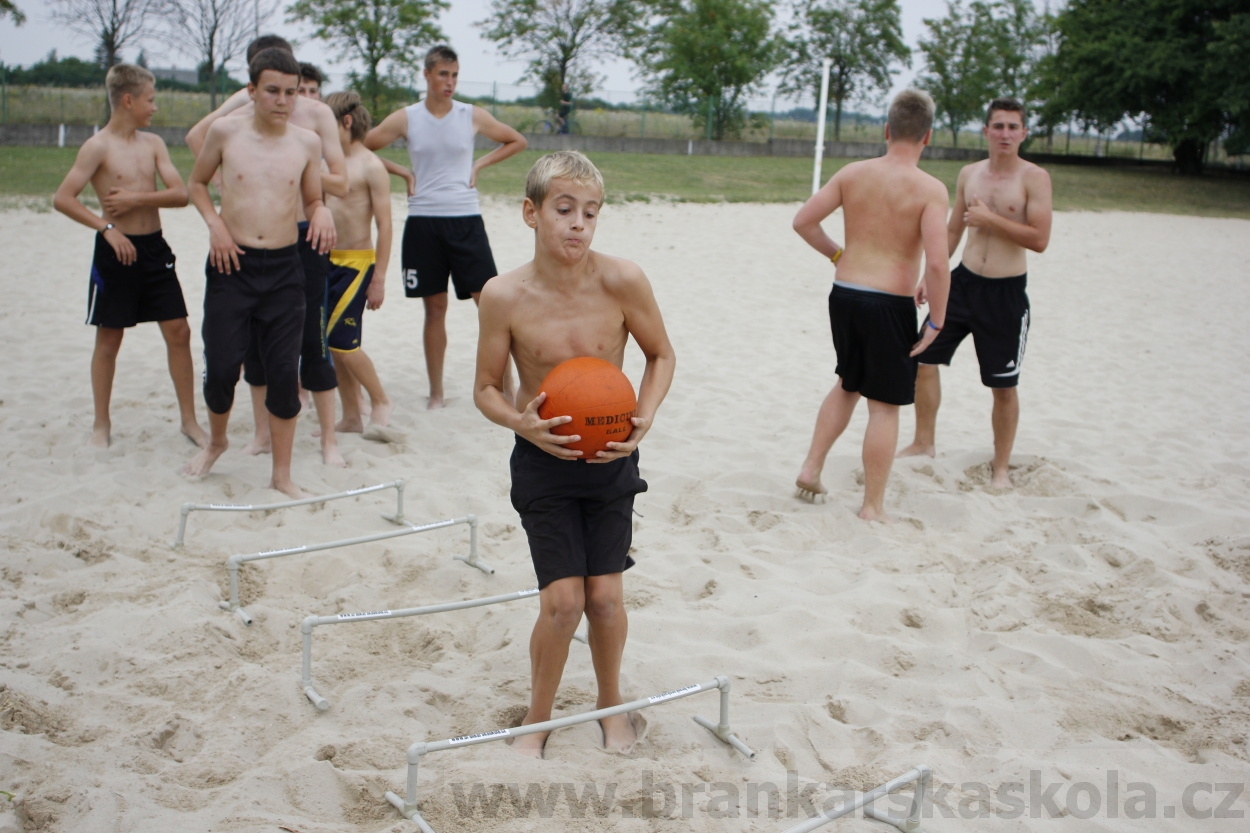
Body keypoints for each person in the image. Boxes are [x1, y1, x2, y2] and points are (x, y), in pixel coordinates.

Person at [474, 151, 675, 757]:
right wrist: (520, 424)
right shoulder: (503, 295)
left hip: (612, 459)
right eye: (564, 210)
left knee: (607, 598)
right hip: (542, 463)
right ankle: (537, 718)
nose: (578, 224)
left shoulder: (622, 281)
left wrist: (645, 415)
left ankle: (610, 707)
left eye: (590, 212)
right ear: (531, 213)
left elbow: (661, 353)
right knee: (563, 603)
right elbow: (485, 387)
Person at [185, 36, 346, 467]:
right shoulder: (225, 132)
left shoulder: (306, 142)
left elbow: (313, 199)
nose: (283, 100)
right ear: (252, 90)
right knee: (221, 369)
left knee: (282, 375)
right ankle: (216, 442)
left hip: (283, 267)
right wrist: (215, 225)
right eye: (272, 90)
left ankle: (281, 473)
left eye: (291, 92)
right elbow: (196, 183)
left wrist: (321, 213)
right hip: (230, 263)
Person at [792, 89, 950, 522]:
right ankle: (873, 506)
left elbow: (803, 221)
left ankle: (811, 466)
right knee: (884, 406)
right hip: (889, 303)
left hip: (845, 294)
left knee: (848, 382)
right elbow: (938, 263)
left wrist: (838, 255)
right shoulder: (930, 189)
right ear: (927, 137)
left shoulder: (853, 173)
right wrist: (936, 319)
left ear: (886, 130)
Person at [898, 97, 1053, 489]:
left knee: (1002, 385)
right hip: (962, 283)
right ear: (985, 131)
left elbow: (1039, 239)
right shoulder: (970, 174)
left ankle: (1001, 467)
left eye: (1012, 127)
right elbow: (952, 230)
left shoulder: (1034, 178)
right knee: (922, 357)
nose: (1005, 134)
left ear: (1023, 133)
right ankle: (923, 442)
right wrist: (930, 276)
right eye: (997, 126)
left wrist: (991, 219)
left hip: (1005, 294)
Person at [53, 63, 207, 450]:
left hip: (155, 250)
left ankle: (189, 421)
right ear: (128, 100)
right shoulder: (98, 146)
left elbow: (180, 194)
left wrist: (138, 197)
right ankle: (101, 424)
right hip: (115, 253)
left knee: (180, 332)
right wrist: (106, 229)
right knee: (109, 339)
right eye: (150, 100)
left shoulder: (153, 143)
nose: (154, 107)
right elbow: (62, 198)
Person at [366, 44, 527, 409]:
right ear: (426, 75)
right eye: (443, 74)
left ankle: (509, 385)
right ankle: (436, 392)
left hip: (465, 220)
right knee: (434, 309)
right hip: (424, 221)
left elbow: (516, 140)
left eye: (454, 74)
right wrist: (403, 171)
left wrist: (479, 166)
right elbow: (362, 144)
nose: (450, 82)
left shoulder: (471, 115)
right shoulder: (407, 117)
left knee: (490, 304)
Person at [322, 91, 393, 433]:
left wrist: (379, 277)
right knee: (333, 344)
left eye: (327, 122)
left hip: (357, 264)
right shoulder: (327, 162)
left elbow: (385, 225)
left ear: (346, 122)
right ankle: (351, 416)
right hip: (325, 260)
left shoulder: (371, 166)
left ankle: (379, 399)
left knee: (342, 342)